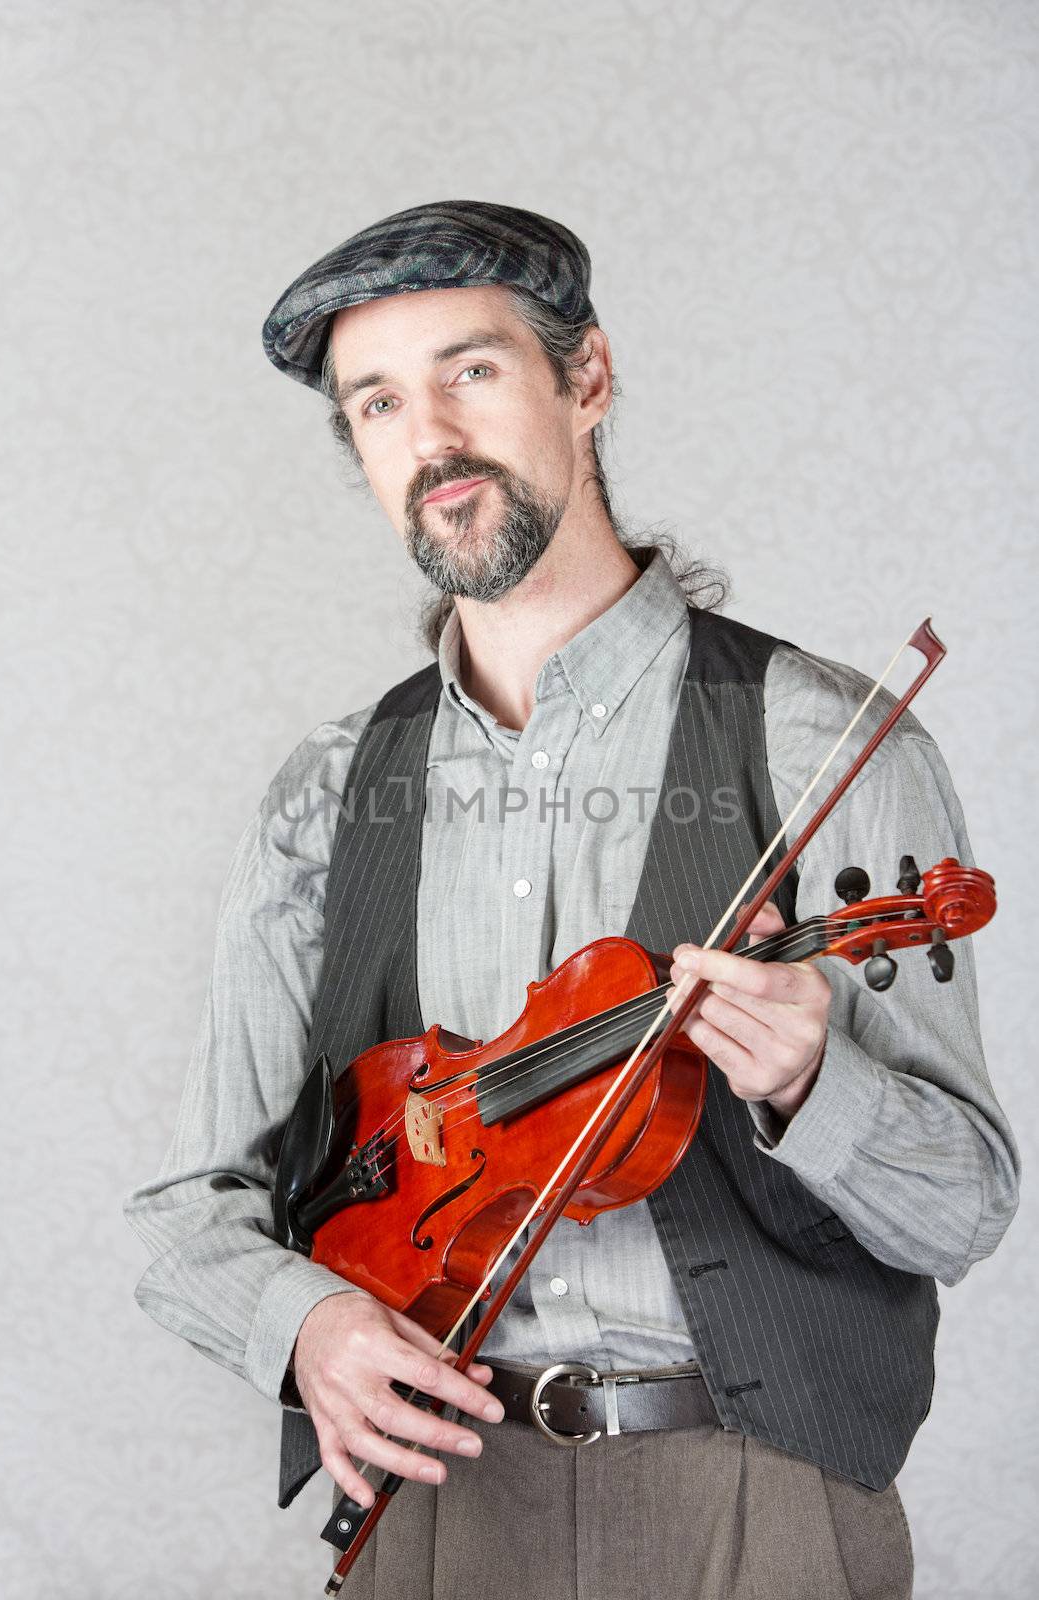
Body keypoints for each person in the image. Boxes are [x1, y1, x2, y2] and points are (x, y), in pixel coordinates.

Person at [124, 201, 1020, 1600]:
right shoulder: (324, 795)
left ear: (586, 379)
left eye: (470, 371)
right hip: (436, 1508)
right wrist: (304, 1329)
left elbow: (967, 1209)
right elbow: (191, 1211)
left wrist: (810, 1082)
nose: (431, 438)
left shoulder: (827, 750)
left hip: (758, 1497)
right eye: (378, 403)